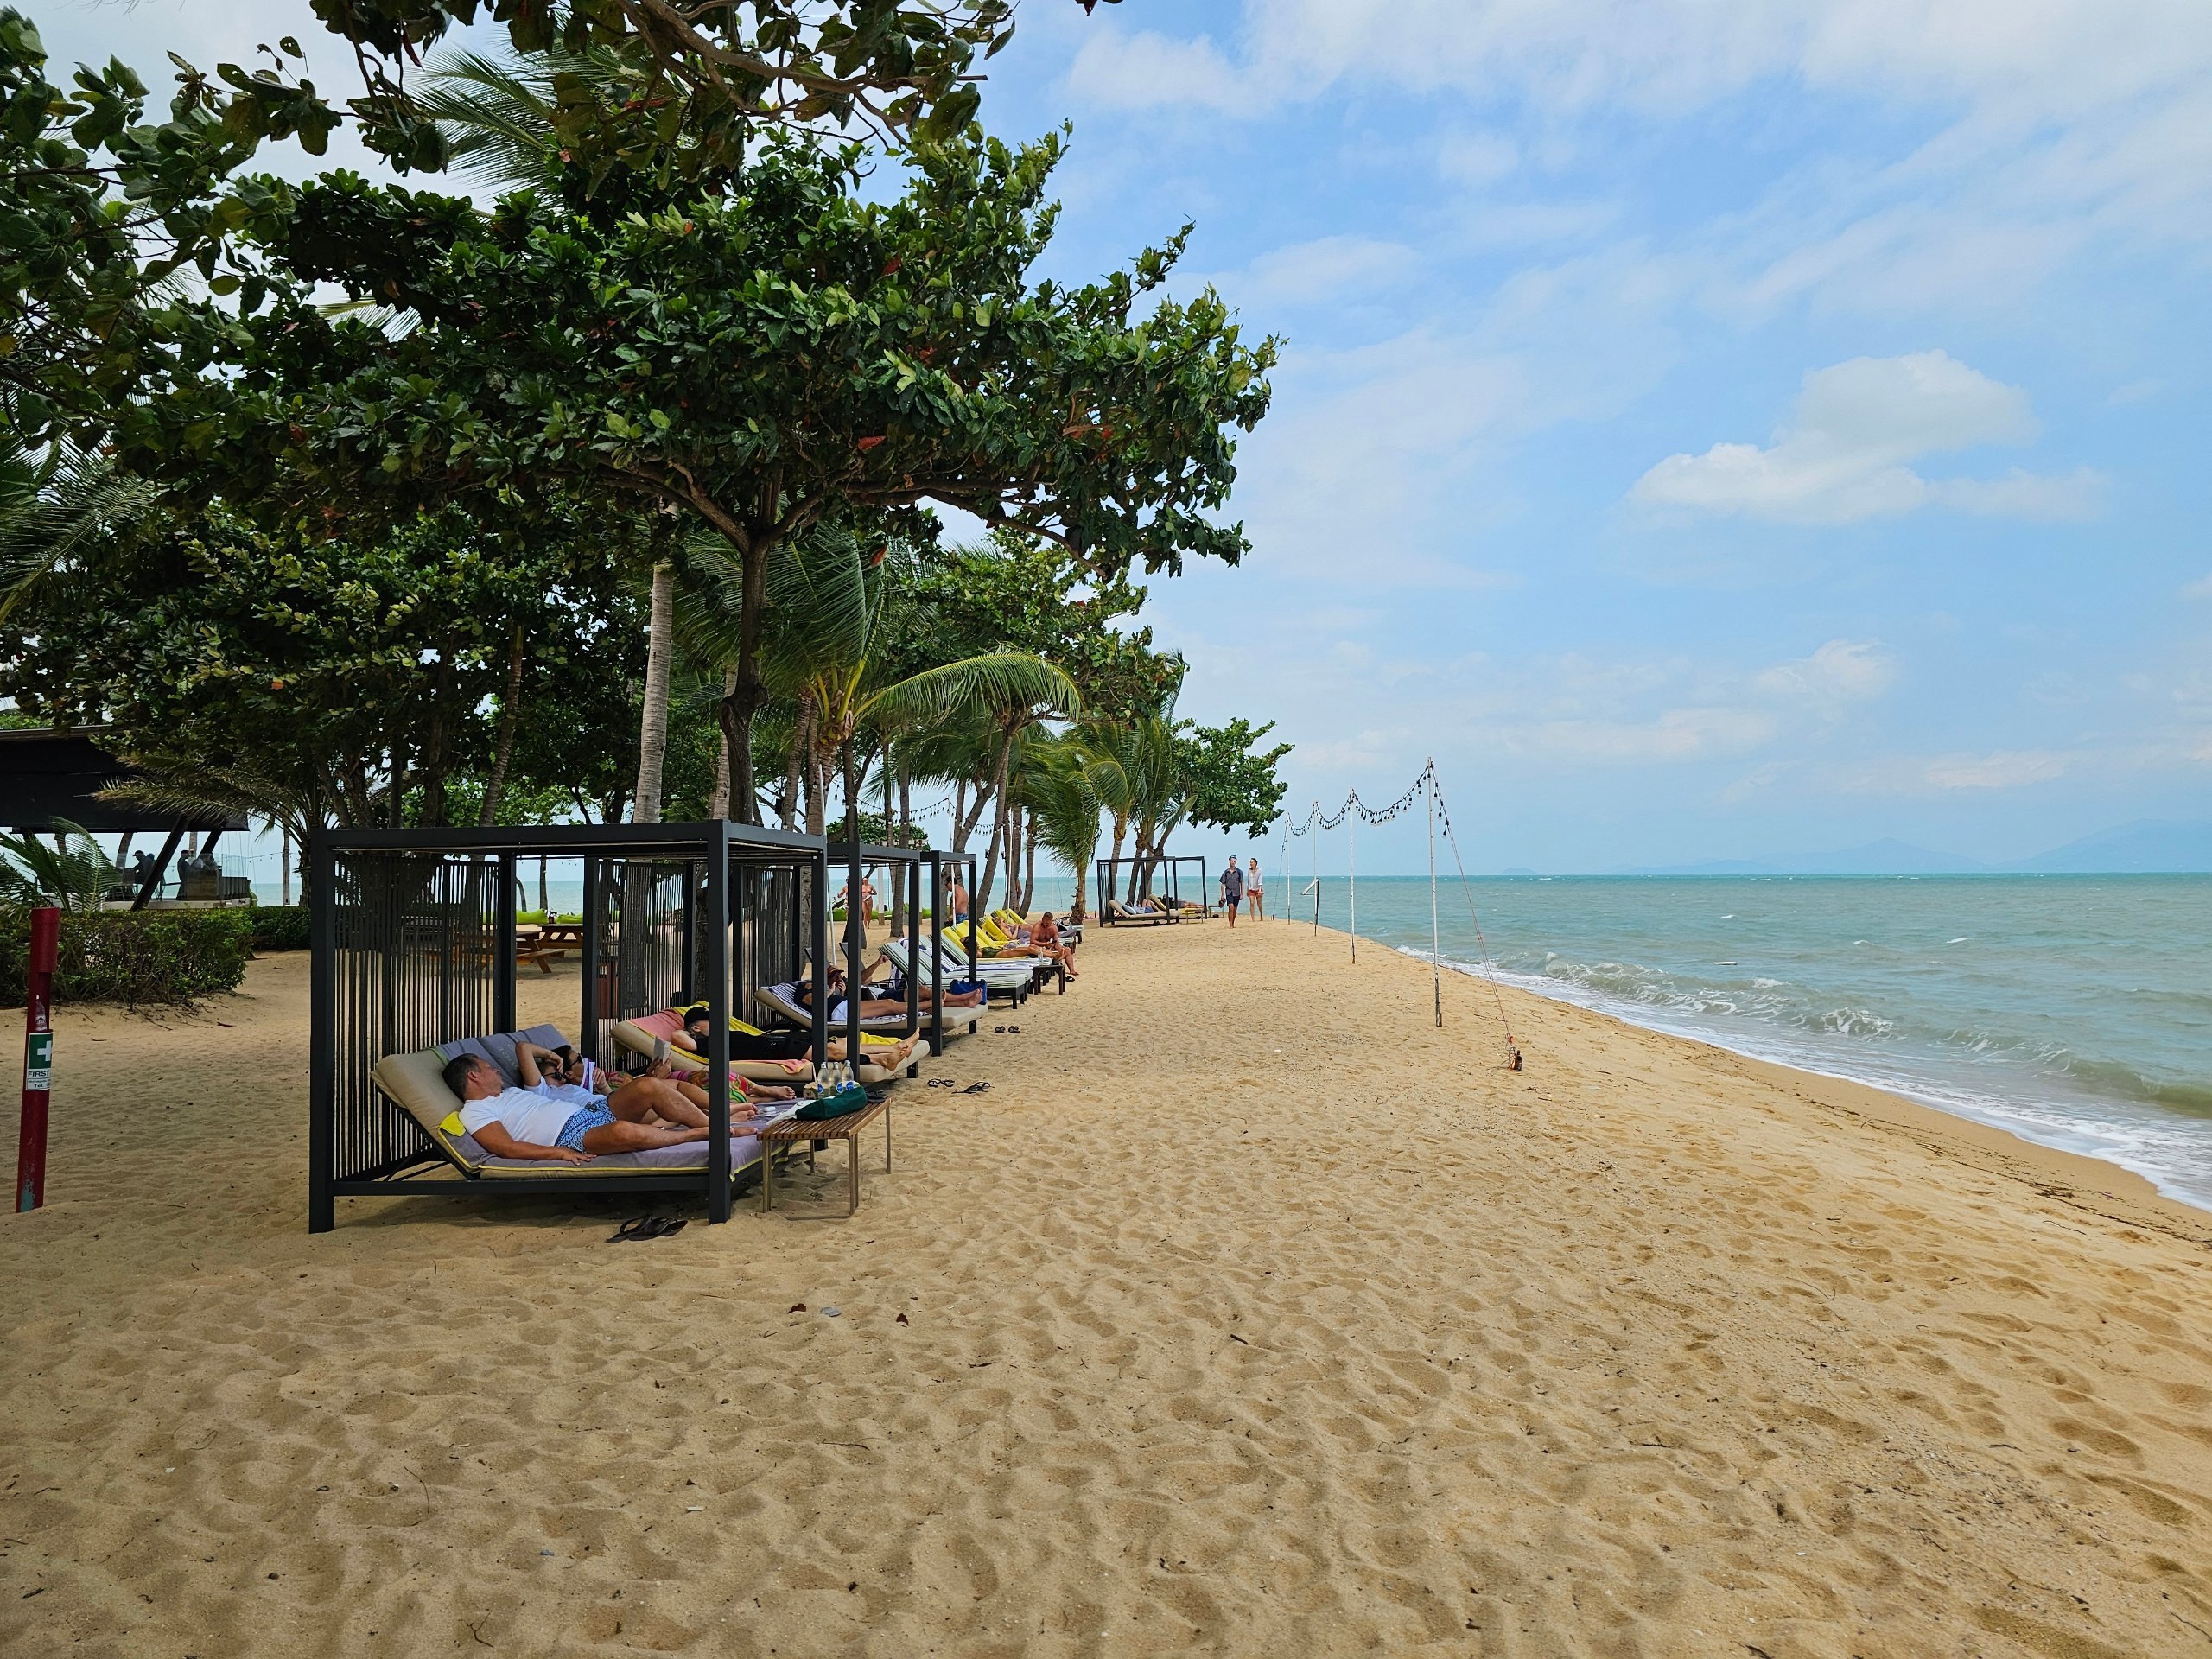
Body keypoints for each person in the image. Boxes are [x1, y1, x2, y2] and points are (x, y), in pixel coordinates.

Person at [442, 1052, 711, 1163]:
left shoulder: (510, 1092)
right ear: (473, 1076)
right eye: (489, 1068)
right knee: (623, 1132)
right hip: (572, 1137)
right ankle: (693, 1135)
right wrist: (559, 1152)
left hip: (592, 1112)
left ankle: (712, 1127)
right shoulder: (475, 1110)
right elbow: (506, 1148)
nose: (497, 1070)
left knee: (647, 1085)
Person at [1029, 912, 1077, 978]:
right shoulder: (1037, 927)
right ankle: (1055, 957)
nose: (1047, 925)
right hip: (1038, 947)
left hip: (1048, 947)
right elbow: (1032, 941)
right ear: (1042, 920)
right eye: (1046, 923)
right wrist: (1044, 944)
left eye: (1049, 923)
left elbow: (1056, 941)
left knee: (1068, 950)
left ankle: (1072, 970)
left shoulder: (1053, 928)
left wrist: (1056, 946)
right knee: (1032, 946)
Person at [1220, 856, 1245, 929]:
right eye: (1232, 861)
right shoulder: (1226, 872)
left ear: (1236, 862)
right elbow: (1222, 883)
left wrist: (1242, 894)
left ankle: (1233, 923)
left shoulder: (1239, 872)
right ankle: (1230, 925)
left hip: (1237, 893)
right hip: (1229, 892)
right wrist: (1222, 894)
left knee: (1235, 909)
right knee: (1231, 907)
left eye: (1234, 861)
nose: (1233, 862)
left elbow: (1241, 883)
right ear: (1229, 861)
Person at [1248, 857, 1264, 922]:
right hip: (1251, 889)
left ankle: (1261, 916)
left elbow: (1260, 880)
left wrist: (1260, 890)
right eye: (1250, 862)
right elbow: (1249, 880)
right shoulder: (1249, 871)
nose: (1251, 863)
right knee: (1252, 903)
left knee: (1259, 904)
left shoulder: (1259, 870)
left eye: (1252, 862)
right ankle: (1253, 918)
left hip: (1258, 889)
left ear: (1255, 863)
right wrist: (1248, 889)